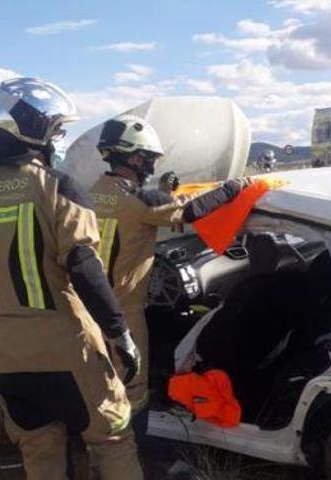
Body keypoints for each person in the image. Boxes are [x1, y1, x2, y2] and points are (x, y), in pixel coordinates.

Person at [0, 77, 146, 480]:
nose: (58, 140)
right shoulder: (58, 186)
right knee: (113, 440)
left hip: (5, 357)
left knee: (40, 454)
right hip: (67, 347)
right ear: (34, 130)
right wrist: (119, 333)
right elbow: (83, 265)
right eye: (56, 130)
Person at [87, 114, 254, 442]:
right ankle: (128, 458)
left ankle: (93, 454)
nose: (150, 165)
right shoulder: (142, 201)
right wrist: (234, 188)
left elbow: (134, 213)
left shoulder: (91, 193)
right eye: (148, 158)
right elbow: (190, 210)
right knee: (130, 391)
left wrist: (162, 190)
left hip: (87, 308)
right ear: (134, 157)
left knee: (98, 383)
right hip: (124, 313)